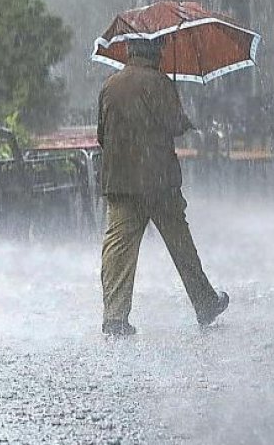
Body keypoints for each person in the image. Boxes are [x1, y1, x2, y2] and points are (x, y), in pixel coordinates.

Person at [96, 37, 229, 336]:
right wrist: (187, 120)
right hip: (158, 182)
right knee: (180, 244)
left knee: (118, 248)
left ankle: (114, 317)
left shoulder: (110, 85)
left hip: (120, 182)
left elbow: (101, 135)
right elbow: (173, 124)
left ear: (129, 51)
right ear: (156, 52)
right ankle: (205, 302)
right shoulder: (159, 82)